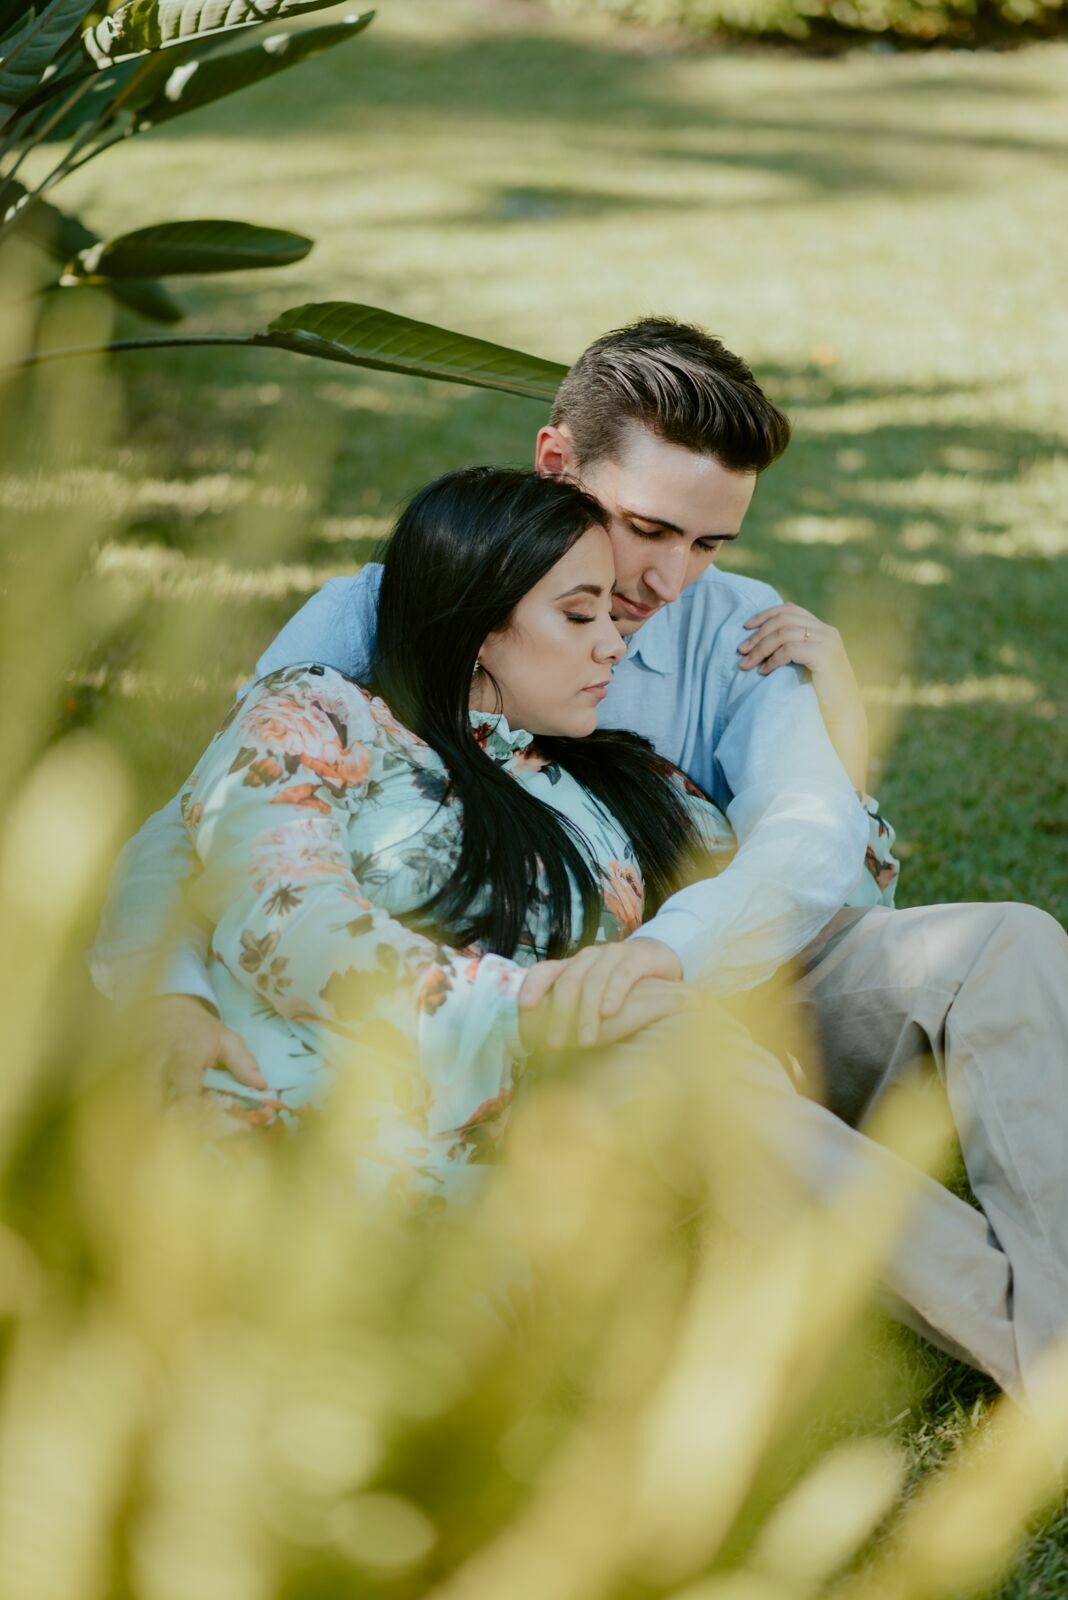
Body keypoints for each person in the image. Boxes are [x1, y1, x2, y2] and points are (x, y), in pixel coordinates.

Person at [93, 315, 1068, 1409]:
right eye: (647, 527)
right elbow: (215, 819)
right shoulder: (378, 617)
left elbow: (811, 840)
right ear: (558, 462)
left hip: (706, 959)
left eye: (709, 543)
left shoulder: (739, 627)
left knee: (1009, 946)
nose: (666, 581)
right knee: (682, 1060)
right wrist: (166, 991)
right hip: (568, 1015)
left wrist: (663, 950)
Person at [170, 467, 734, 1193]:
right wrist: (524, 1009)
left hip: (549, 1162)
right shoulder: (320, 712)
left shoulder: (625, 784)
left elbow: (792, 897)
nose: (614, 648)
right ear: (480, 627)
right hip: (298, 1137)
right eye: (579, 615)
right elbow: (282, 912)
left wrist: (831, 705)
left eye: (611, 620)